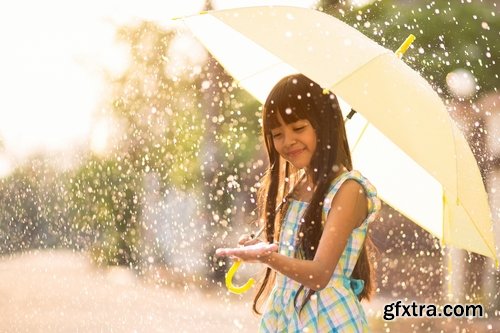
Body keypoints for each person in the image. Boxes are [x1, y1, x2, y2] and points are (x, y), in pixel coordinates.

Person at [216, 74, 381, 332]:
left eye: (298, 128)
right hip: (287, 314)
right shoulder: (294, 188)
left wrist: (267, 257)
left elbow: (319, 274)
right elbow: (294, 256)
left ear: (324, 125)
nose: (288, 141)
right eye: (277, 133)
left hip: (328, 318)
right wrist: (261, 249)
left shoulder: (348, 191)